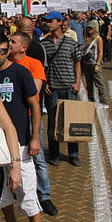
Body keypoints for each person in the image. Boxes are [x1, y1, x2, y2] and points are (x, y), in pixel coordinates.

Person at [0, 34, 44, 222]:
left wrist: (35, 137)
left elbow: (34, 105)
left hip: (21, 141)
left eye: (2, 51)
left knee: (26, 190)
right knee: (2, 194)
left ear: (9, 50)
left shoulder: (21, 72)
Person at [8, 32, 58, 216]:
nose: (9, 44)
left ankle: (44, 195)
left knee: (37, 157)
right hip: (11, 118)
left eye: (13, 42)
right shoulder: (6, 63)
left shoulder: (33, 64)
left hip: (29, 117)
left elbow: (35, 90)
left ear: (23, 47)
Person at [40, 11, 82, 166]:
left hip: (69, 86)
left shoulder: (70, 42)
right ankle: (54, 153)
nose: (47, 23)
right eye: (46, 21)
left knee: (71, 122)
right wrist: (45, 84)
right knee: (53, 122)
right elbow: (42, 67)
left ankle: (74, 154)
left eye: (50, 21)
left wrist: (77, 82)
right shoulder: (43, 44)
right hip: (53, 88)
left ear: (59, 22)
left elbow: (77, 62)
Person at [82, 20, 108, 108]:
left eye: (91, 28)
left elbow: (100, 52)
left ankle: (103, 102)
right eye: (87, 28)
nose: (89, 30)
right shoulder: (86, 38)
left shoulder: (98, 38)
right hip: (86, 63)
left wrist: (98, 64)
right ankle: (91, 99)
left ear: (94, 29)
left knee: (99, 83)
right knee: (89, 83)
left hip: (94, 63)